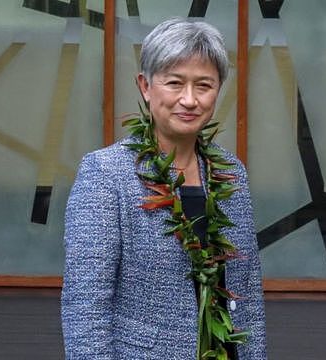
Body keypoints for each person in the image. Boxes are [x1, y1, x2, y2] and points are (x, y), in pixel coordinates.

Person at [61, 18, 267, 359]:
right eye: (174, 83)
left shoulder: (231, 173)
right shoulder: (106, 174)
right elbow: (86, 308)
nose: (189, 100)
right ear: (145, 86)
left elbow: (247, 293)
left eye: (204, 85)